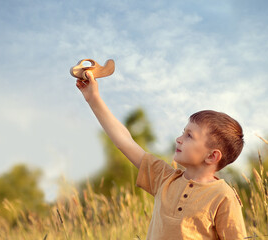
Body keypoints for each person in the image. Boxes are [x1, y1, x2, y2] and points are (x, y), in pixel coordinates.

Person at [76, 71, 247, 239]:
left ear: (212, 156)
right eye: (183, 132)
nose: (179, 139)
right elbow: (124, 142)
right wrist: (93, 98)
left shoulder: (224, 197)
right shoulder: (164, 178)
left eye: (189, 136)